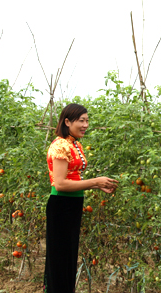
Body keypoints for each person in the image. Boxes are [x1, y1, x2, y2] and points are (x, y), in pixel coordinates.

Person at [44, 104, 118, 293]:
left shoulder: (74, 143)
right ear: (67, 121)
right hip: (61, 205)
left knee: (68, 257)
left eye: (87, 120)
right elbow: (60, 184)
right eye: (81, 120)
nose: (85, 125)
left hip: (73, 204)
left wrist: (98, 185)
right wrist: (95, 181)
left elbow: (75, 179)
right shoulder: (60, 145)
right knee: (60, 259)